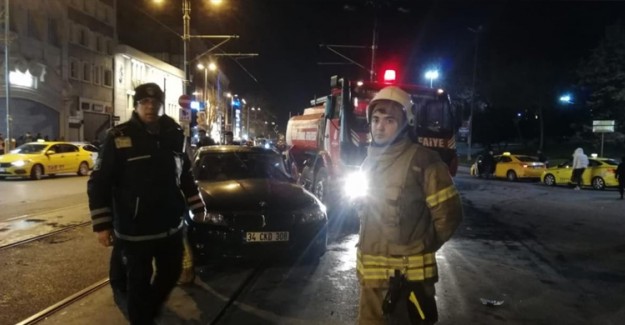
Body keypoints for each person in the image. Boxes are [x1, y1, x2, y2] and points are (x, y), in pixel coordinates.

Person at [87, 82, 206, 324]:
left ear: (161, 106)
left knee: (171, 273)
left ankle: (146, 312)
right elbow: (98, 182)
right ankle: (142, 317)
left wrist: (197, 204)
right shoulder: (118, 137)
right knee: (138, 284)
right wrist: (102, 225)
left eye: (155, 103)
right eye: (144, 103)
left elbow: (185, 175)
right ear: (137, 105)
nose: (150, 107)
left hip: (170, 225)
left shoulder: (174, 135)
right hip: (134, 229)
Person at [357, 86, 463, 324]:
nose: (380, 127)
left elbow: (450, 215)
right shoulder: (367, 163)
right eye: (375, 119)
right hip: (371, 284)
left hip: (407, 285)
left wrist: (422, 245)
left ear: (406, 123)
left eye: (389, 120)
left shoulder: (424, 161)